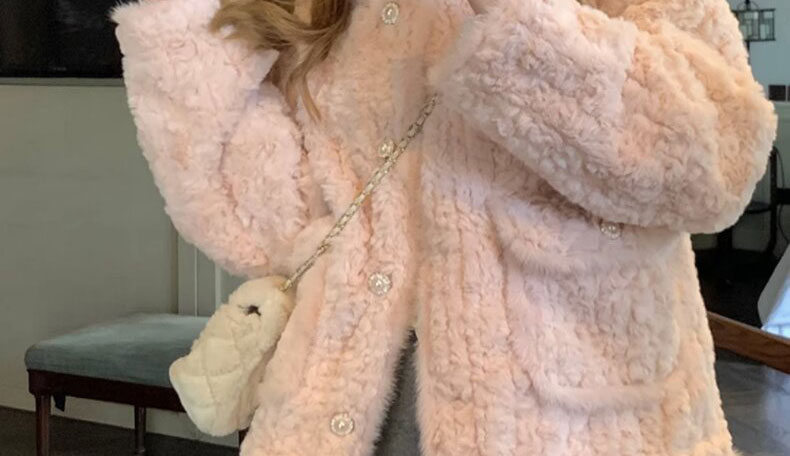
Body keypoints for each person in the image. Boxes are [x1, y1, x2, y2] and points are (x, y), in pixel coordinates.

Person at [111, 0, 777, 454]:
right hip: (338, 416)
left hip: (574, 427)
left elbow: (715, 164)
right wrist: (185, 28)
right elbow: (261, 233)